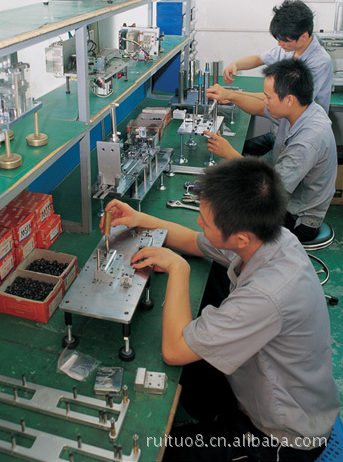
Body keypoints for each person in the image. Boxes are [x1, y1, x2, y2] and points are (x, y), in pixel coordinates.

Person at [101, 157, 339, 461]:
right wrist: (139, 218)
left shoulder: (266, 295)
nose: (199, 222)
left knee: (156, 450)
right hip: (263, 385)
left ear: (240, 237)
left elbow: (174, 350)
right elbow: (193, 241)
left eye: (205, 220)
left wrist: (178, 268)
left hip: (280, 437)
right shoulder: (272, 238)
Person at [205, 58, 337, 243]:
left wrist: (230, 154)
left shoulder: (307, 142)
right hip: (287, 195)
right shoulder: (303, 109)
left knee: (228, 224)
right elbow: (259, 108)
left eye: (268, 97)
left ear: (289, 99)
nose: (264, 101)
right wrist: (230, 95)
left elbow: (270, 190)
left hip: (297, 219)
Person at [223, 0, 333, 156]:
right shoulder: (288, 47)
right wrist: (235, 65)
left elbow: (283, 101)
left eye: (285, 40)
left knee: (248, 165)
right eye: (278, 39)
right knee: (241, 151)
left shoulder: (319, 62)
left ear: (304, 36)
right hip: (278, 132)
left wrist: (232, 95)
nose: (280, 44)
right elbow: (259, 59)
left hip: (296, 136)